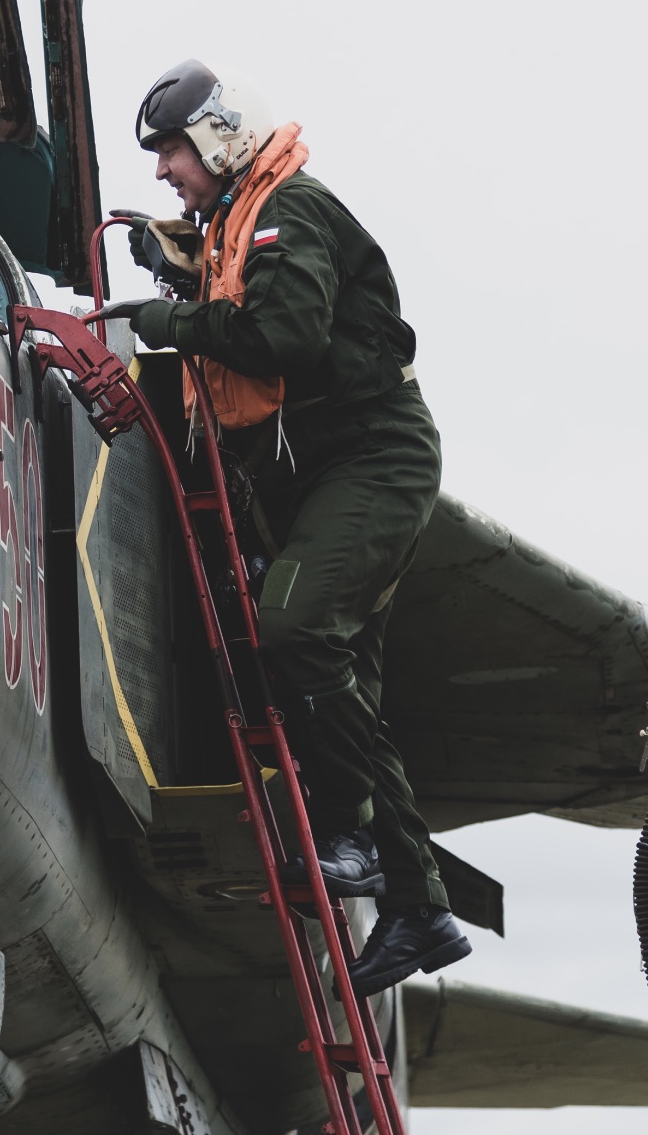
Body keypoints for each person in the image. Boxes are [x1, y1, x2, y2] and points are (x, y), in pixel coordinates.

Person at [108, 57, 469, 996]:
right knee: (346, 679)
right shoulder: (242, 222)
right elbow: (247, 298)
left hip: (371, 460)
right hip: (321, 473)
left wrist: (170, 320)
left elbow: (284, 336)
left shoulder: (289, 210)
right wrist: (182, 272)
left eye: (173, 150)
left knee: (298, 630)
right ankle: (420, 908)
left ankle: (351, 835)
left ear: (220, 138)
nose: (163, 171)